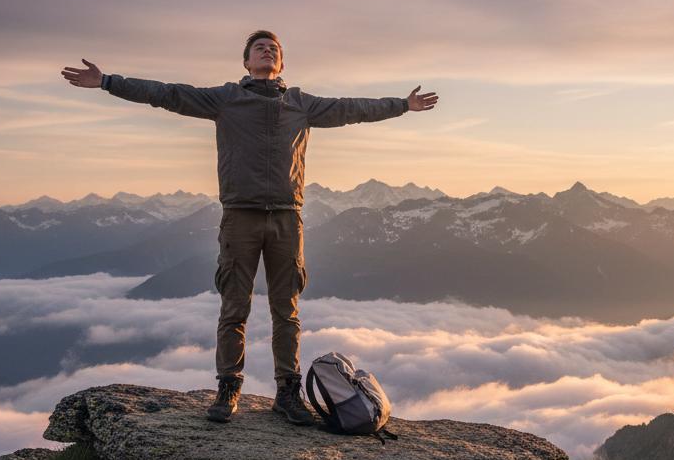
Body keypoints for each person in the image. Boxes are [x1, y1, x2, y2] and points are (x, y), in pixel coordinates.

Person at [61, 30, 438, 424]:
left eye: (274, 48)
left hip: (287, 217)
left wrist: (402, 105)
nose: (267, 50)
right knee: (234, 307)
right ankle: (228, 388)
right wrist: (107, 82)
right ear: (246, 62)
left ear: (281, 63)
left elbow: (351, 108)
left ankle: (287, 393)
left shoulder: (301, 103)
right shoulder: (226, 99)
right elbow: (167, 94)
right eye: (259, 47)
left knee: (286, 311)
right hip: (240, 216)